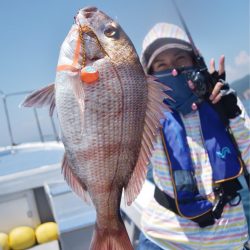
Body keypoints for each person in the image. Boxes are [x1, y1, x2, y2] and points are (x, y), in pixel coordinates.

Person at [137, 22, 250, 250]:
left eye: (180, 60)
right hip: (162, 240)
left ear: (194, 61)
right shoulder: (145, 114)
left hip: (227, 241)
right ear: (150, 76)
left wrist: (233, 116)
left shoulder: (225, 102)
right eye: (161, 65)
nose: (174, 70)